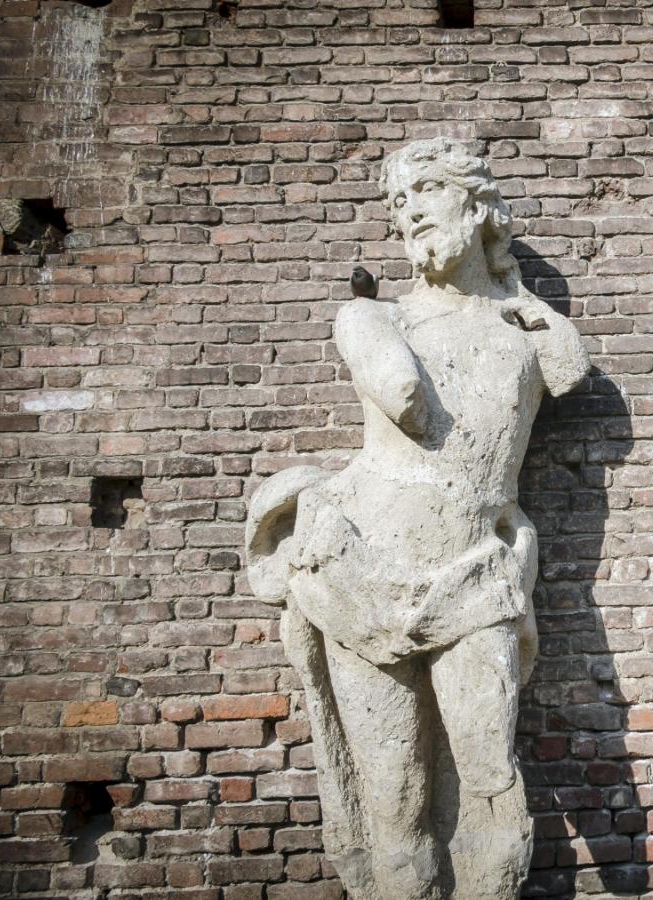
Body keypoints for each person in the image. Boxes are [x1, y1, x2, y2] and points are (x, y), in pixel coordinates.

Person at [245, 139, 591, 900]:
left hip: (473, 571)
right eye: (399, 202)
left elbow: (570, 369)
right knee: (394, 795)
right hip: (364, 570)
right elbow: (404, 397)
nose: (411, 213)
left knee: (491, 776)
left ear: (479, 204)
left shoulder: (523, 327)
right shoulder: (374, 317)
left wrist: (513, 291)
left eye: (428, 189)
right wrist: (374, 319)